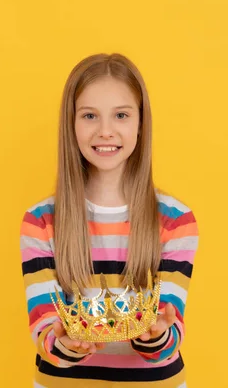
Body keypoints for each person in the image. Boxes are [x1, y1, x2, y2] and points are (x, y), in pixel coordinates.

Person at [19, 53, 199, 387]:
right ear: (70, 123)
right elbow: (44, 330)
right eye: (90, 115)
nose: (105, 131)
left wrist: (157, 333)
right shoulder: (41, 221)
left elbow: (169, 341)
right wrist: (65, 342)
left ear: (140, 123)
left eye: (120, 115)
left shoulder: (176, 221)